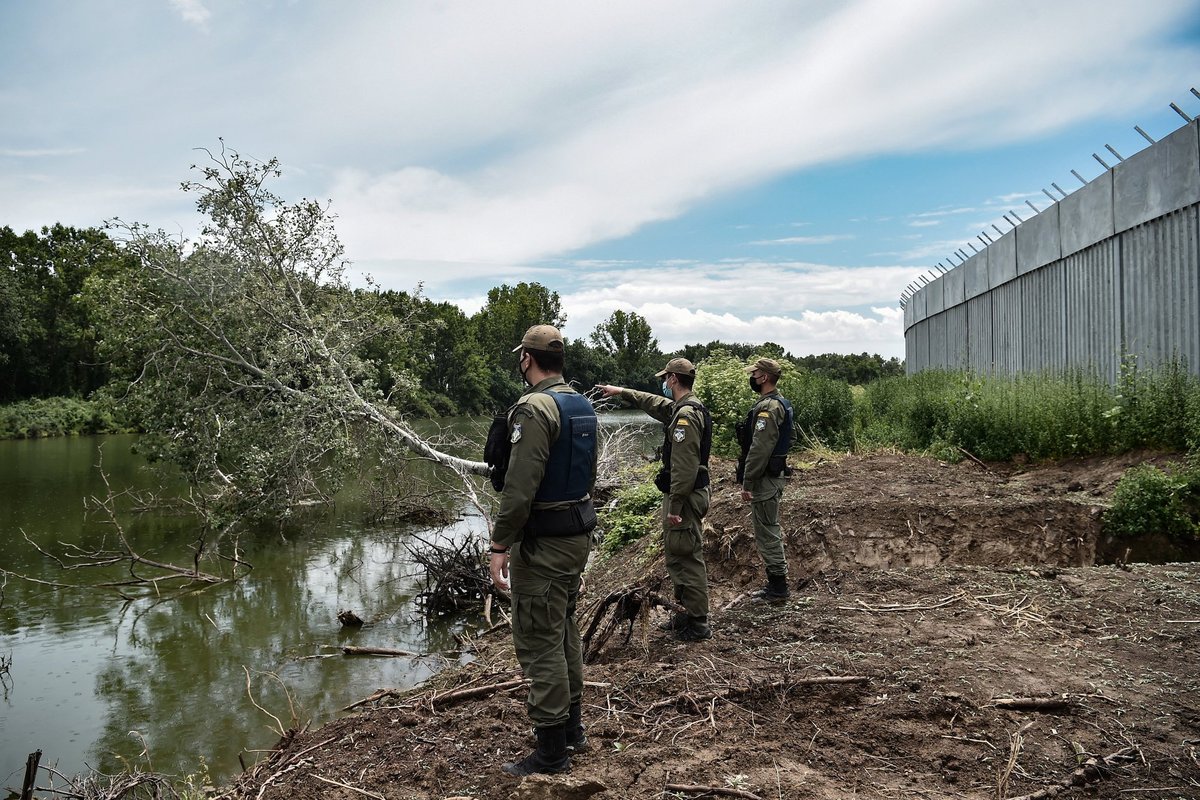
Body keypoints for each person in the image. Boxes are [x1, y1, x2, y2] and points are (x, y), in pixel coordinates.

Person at [488, 324, 599, 777]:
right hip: (575, 535)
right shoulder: (580, 403)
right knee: (564, 629)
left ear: (527, 360)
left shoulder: (535, 408)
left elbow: (519, 488)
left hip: (545, 544)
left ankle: (552, 751)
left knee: (539, 641)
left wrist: (500, 543)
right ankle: (572, 730)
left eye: (521, 358)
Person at [596, 357, 713, 641]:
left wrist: (674, 505)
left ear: (673, 379)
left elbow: (684, 467)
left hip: (684, 498)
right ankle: (684, 613)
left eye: (665, 378)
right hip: (684, 496)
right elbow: (652, 403)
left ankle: (697, 623)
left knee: (687, 556)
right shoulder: (682, 407)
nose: (663, 382)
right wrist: (621, 391)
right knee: (677, 554)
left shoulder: (685, 416)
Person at [737, 357, 793, 602]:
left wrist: (748, 482)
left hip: (766, 480)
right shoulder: (772, 404)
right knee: (766, 530)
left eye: (756, 373)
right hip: (769, 477)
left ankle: (778, 588)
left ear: (765, 377)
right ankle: (775, 585)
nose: (753, 377)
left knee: (767, 532)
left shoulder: (770, 408)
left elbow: (760, 449)